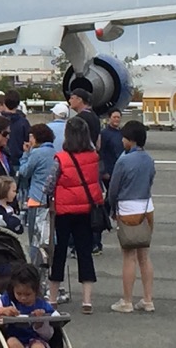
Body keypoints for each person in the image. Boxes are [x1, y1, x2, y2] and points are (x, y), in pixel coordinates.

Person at [46, 116, 102, 313]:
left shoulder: (61, 158)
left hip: (64, 210)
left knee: (59, 252)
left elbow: (50, 184)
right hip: (86, 209)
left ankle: (52, 297)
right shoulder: (93, 157)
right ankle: (87, 300)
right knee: (85, 252)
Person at [107, 119, 156, 313]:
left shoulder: (124, 160)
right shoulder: (149, 159)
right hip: (146, 206)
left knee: (128, 256)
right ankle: (148, 298)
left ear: (130, 140)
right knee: (144, 255)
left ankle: (127, 300)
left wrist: (112, 208)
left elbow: (113, 189)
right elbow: (151, 180)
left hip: (127, 207)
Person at [0, 263, 58, 348]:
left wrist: (40, 322)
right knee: (12, 341)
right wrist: (2, 310)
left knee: (38, 346)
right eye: (19, 293)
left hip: (35, 339)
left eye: (28, 294)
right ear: (13, 289)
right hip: (15, 338)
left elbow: (50, 331)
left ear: (36, 291)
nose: (23, 298)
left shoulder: (41, 304)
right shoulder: (8, 299)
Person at [18, 123, 56, 267]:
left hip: (36, 198)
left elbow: (24, 171)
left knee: (35, 239)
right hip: (52, 201)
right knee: (49, 238)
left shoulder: (36, 153)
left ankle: (35, 269)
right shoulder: (55, 152)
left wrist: (25, 154)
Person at [95, 108, 125, 253]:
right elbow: (101, 153)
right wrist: (104, 171)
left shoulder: (121, 133)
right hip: (109, 169)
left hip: (119, 169)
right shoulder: (105, 134)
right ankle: (105, 217)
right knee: (110, 197)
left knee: (114, 196)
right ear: (109, 118)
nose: (116, 120)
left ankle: (109, 216)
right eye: (114, 117)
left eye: (118, 117)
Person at [0, 90, 32, 175]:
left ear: (4, 103)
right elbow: (29, 142)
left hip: (1, 161)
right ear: (18, 104)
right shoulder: (24, 122)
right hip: (19, 161)